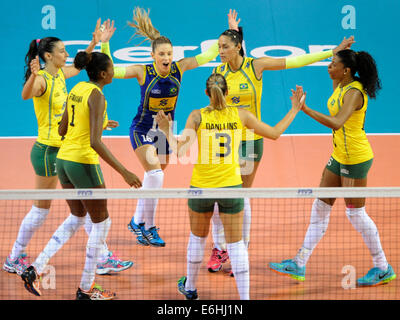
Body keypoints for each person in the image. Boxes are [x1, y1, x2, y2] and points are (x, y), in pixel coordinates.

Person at [206, 9, 356, 274]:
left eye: (225, 46)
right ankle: (219, 248)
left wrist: (332, 51)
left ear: (238, 47)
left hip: (251, 142)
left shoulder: (257, 66)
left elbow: (296, 61)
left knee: (239, 195)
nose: (220, 50)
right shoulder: (219, 74)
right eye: (218, 46)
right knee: (220, 196)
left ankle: (240, 247)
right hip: (226, 143)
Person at [155, 73, 305, 300]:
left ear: (207, 93)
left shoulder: (197, 116)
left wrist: (166, 129)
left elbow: (180, 151)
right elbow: (274, 133)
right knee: (236, 245)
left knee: (197, 239)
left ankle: (191, 288)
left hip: (201, 188)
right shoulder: (241, 115)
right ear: (227, 93)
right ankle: (244, 299)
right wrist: (294, 109)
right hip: (232, 188)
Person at [3, 20, 133, 277]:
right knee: (42, 210)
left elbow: (80, 65)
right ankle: (14, 256)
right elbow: (25, 95)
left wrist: (96, 42)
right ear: (48, 56)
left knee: (82, 209)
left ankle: (103, 257)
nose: (66, 54)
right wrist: (34, 76)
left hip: (63, 151)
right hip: (48, 152)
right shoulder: (43, 81)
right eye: (62, 51)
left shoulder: (61, 74)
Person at [269, 49, 396, 287]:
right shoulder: (340, 81)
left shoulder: (354, 93)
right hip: (339, 155)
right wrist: (340, 47)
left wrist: (304, 109)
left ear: (346, 70)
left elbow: (337, 123)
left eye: (333, 64)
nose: (329, 67)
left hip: (355, 159)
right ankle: (299, 263)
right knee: (320, 206)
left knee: (356, 215)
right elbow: (339, 62)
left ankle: (382, 267)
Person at [21, 51, 142, 300]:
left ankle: (35, 269)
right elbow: (95, 142)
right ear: (102, 74)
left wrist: (95, 124)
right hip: (82, 162)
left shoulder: (77, 88)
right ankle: (86, 289)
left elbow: (63, 127)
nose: (113, 71)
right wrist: (125, 172)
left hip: (63, 161)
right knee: (102, 223)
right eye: (111, 68)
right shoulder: (97, 96)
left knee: (77, 217)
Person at [99, 7, 221, 247]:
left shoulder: (180, 68)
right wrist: (104, 45)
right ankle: (149, 227)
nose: (167, 58)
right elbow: (112, 70)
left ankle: (135, 220)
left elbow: (207, 56)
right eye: (162, 54)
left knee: (154, 174)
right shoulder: (142, 72)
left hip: (163, 131)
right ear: (153, 54)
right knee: (156, 173)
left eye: (169, 53)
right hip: (142, 130)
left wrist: (229, 34)